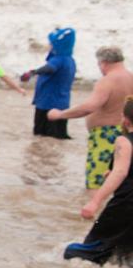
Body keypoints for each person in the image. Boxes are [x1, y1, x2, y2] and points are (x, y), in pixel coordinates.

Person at [47, 47, 133, 197]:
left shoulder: (107, 81)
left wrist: (60, 114)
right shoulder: (130, 77)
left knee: (96, 180)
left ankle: (93, 213)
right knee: (120, 177)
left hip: (105, 137)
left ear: (104, 63)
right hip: (128, 133)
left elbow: (89, 107)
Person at [64, 98, 133, 268]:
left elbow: (120, 172)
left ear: (125, 118)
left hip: (126, 203)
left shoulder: (124, 141)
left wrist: (95, 201)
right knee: (126, 255)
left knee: (84, 254)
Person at [22, 27, 77, 139]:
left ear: (58, 45)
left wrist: (33, 73)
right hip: (61, 105)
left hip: (48, 104)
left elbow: (50, 68)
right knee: (59, 136)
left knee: (42, 135)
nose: (49, 45)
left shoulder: (58, 59)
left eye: (51, 43)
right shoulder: (69, 60)